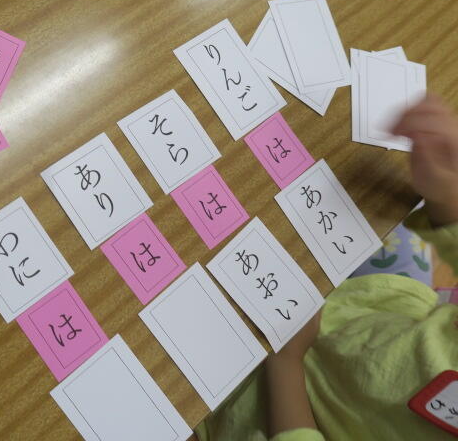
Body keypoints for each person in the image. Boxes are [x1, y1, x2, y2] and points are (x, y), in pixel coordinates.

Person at [195, 95, 458, 441]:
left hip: (275, 401)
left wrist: (287, 360)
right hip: (376, 311)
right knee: (374, 202)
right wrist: (449, 201)